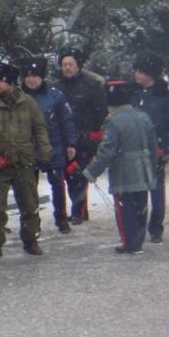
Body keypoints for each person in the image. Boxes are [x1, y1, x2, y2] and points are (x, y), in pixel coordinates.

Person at [0, 60, 51, 260]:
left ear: (11, 82)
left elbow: (39, 128)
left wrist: (45, 150)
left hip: (23, 160)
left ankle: (31, 240)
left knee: (29, 204)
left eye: (0, 81)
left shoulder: (28, 103)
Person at [82, 81, 158, 255]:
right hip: (144, 170)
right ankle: (137, 241)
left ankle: (129, 243)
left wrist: (91, 172)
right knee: (140, 207)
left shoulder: (113, 122)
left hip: (124, 173)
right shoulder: (143, 116)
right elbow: (153, 148)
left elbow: (106, 152)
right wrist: (152, 169)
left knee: (125, 210)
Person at [19, 57, 77, 234]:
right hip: (27, 148)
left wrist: (71, 143)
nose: (32, 80)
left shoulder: (55, 96)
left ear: (42, 77)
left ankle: (61, 218)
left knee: (58, 185)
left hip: (53, 146)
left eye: (36, 76)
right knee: (29, 188)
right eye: (28, 76)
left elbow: (67, 121)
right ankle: (30, 222)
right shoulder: (18, 96)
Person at [131, 50, 169, 244]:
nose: (136, 75)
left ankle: (156, 227)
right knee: (138, 190)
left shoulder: (164, 97)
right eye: (136, 71)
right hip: (135, 150)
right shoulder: (134, 94)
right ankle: (138, 225)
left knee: (156, 190)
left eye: (141, 71)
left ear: (150, 74)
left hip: (157, 151)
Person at [57, 48, 107, 225]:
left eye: (70, 64)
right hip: (63, 139)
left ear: (78, 66)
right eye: (64, 65)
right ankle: (74, 209)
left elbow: (101, 112)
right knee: (66, 176)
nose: (67, 68)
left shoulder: (91, 87)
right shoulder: (57, 87)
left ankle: (79, 211)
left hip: (85, 138)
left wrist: (95, 133)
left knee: (78, 176)